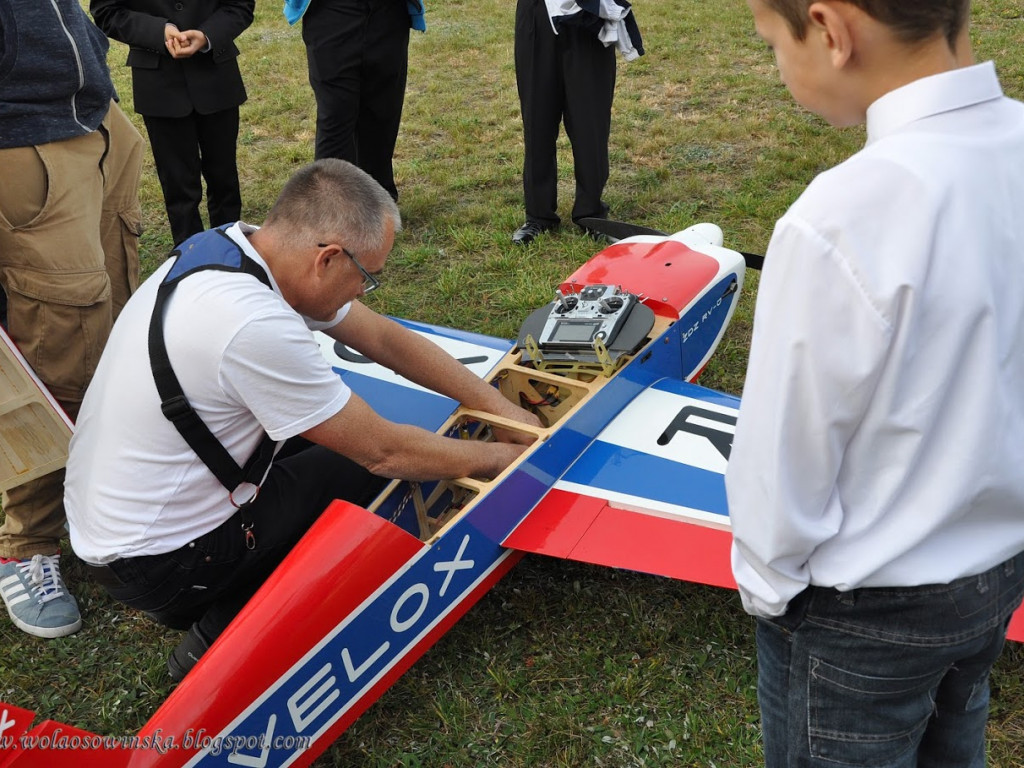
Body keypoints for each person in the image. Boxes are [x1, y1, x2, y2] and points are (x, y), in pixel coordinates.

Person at [64, 158, 540, 680]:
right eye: (367, 277)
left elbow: (382, 338)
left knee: (338, 431)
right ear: (329, 257)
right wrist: (507, 457)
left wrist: (501, 409)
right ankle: (215, 638)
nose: (364, 292)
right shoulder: (252, 324)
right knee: (367, 467)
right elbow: (385, 452)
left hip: (111, 525)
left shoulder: (234, 248)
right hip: (161, 566)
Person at [726, 1, 1024, 765]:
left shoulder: (839, 217)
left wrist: (768, 587)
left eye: (771, 41)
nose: (775, 62)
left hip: (864, 607)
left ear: (830, 31)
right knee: (958, 731)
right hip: (997, 568)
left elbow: (784, 455)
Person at [0, 0, 144, 640]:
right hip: (23, 143)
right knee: (54, 341)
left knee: (114, 321)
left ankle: (109, 491)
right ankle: (27, 543)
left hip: (97, 121)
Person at [91, 0, 254, 247]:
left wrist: (207, 35)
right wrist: (159, 31)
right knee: (177, 183)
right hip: (158, 81)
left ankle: (232, 247)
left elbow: (240, 6)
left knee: (224, 176)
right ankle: (189, 255)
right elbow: (107, 12)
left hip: (216, 75)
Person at [511, 0, 643, 246]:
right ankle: (538, 215)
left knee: (590, 122)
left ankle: (591, 213)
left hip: (587, 19)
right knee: (538, 120)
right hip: (537, 15)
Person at [283, 0, 427, 202]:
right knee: (335, 115)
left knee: (382, 113)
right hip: (331, 13)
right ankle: (333, 209)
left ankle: (378, 206)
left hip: (389, 15)